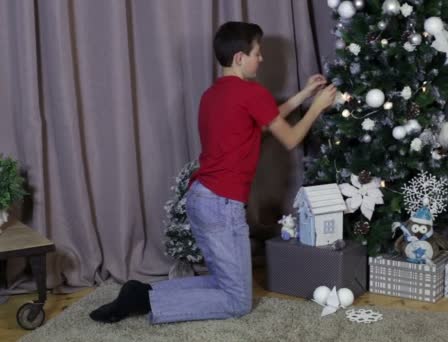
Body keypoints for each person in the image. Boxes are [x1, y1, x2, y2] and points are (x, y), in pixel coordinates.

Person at [90, 21, 336, 324]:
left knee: (228, 285)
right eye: (258, 53)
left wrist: (305, 94)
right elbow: (290, 138)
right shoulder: (252, 93)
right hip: (221, 206)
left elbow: (264, 121)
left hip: (202, 199)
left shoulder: (213, 94)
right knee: (237, 302)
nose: (261, 59)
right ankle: (149, 300)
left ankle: (145, 292)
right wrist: (318, 107)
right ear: (239, 58)